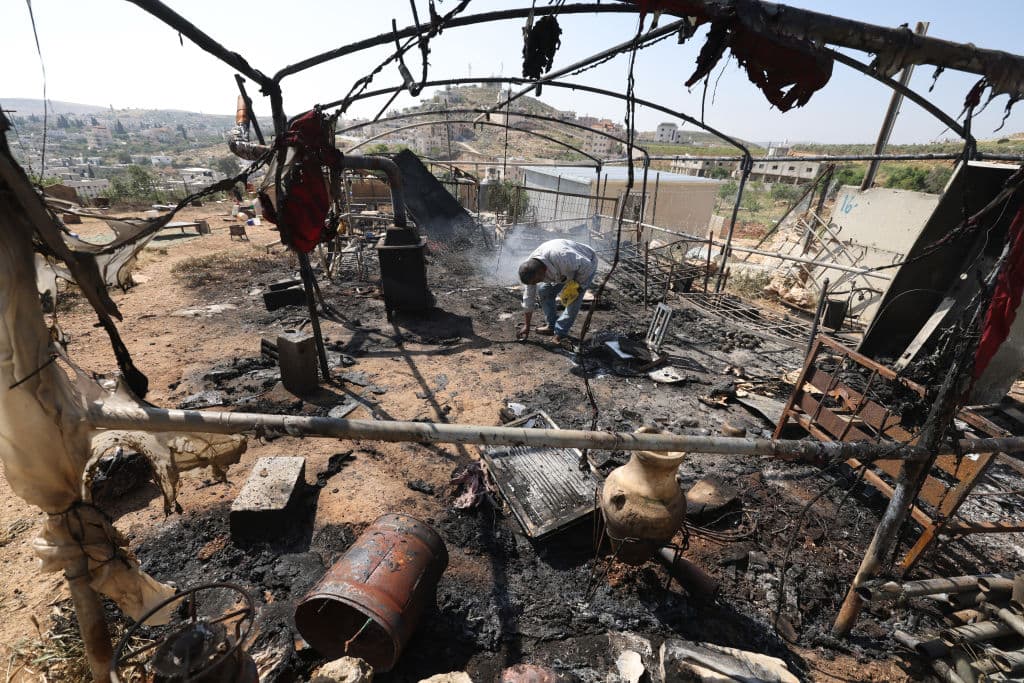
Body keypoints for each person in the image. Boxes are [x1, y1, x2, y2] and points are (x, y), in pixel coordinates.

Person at [517, 238, 598, 343]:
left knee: (573, 300)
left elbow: (586, 266)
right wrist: (527, 325)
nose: (536, 283)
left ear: (544, 271)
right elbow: (528, 297)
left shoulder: (564, 258)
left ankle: (560, 333)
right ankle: (551, 326)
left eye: (538, 280)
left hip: (586, 264)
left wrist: (576, 286)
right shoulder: (530, 269)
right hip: (563, 271)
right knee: (544, 291)